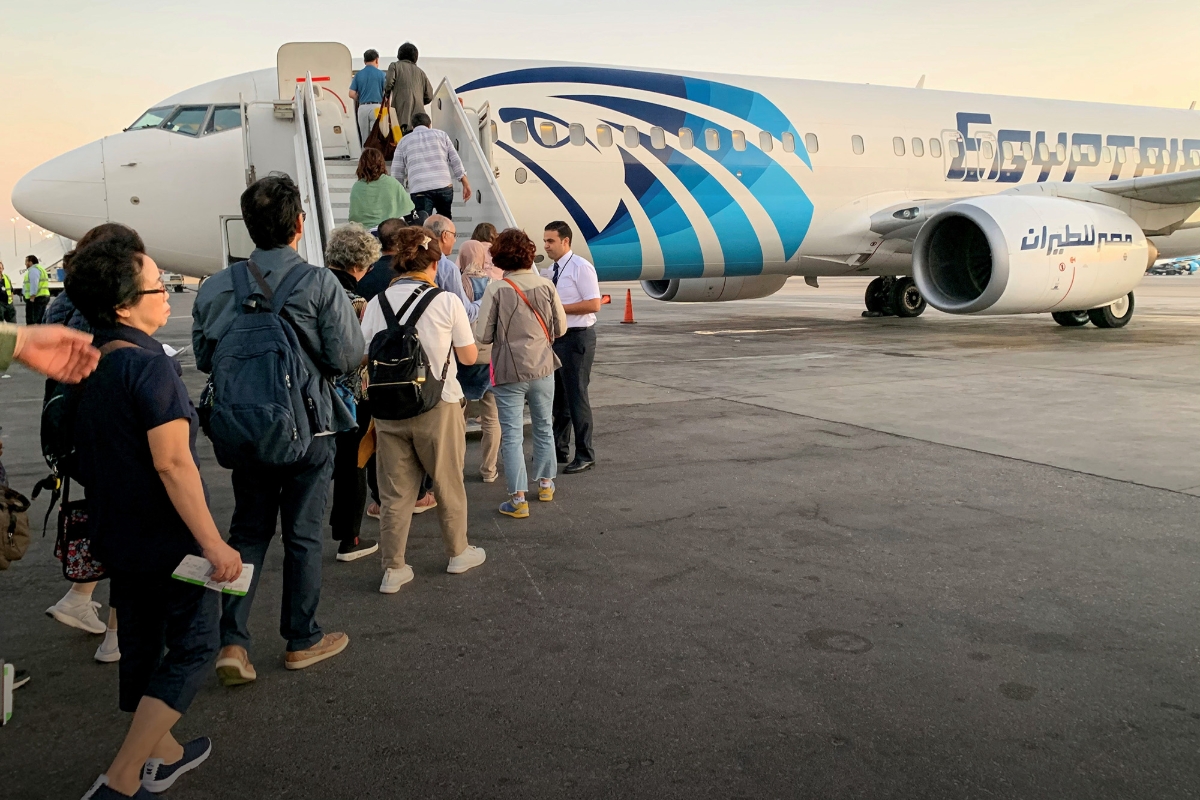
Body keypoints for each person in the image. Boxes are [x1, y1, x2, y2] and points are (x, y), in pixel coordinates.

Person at [68, 237, 243, 799]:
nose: (167, 293)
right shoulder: (149, 367)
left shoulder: (89, 361)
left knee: (142, 641)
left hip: (114, 531)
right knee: (193, 646)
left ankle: (161, 753)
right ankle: (120, 778)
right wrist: (214, 544)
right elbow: (173, 464)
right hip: (168, 539)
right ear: (123, 303)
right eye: (157, 285)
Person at [192, 175, 364, 685]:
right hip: (309, 429)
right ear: (299, 225)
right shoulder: (319, 282)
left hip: (244, 428)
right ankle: (301, 638)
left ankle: (232, 641)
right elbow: (348, 355)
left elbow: (206, 357)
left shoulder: (217, 286)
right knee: (303, 536)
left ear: (247, 226)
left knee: (247, 531)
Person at [358, 228, 486, 594]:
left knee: (395, 493)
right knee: (448, 483)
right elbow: (468, 356)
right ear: (432, 261)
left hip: (387, 408)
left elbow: (363, 355)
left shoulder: (378, 301)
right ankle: (458, 552)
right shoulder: (446, 301)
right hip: (438, 403)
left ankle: (393, 568)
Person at [42, 224, 143, 664]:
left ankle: (79, 597)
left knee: (104, 515)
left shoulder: (61, 304)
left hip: (69, 430)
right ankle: (117, 637)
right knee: (130, 531)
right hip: (108, 429)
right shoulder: (105, 308)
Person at [475, 230, 567, 518]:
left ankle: (517, 499)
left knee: (512, 435)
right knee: (543, 426)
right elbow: (561, 328)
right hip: (542, 368)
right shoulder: (547, 286)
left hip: (508, 371)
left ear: (501, 258)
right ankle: (546, 483)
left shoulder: (496, 289)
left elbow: (483, 335)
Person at [324, 224, 380, 562]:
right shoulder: (357, 302)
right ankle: (350, 537)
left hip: (305, 392)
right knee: (352, 464)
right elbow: (359, 354)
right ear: (359, 266)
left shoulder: (309, 288)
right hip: (349, 398)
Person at [541, 222, 601, 474]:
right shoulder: (549, 270)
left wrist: (559, 309)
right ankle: (559, 447)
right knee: (559, 397)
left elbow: (594, 304)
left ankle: (585, 453)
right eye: (545, 241)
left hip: (577, 338)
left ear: (566, 241)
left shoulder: (580, 267)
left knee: (577, 396)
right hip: (557, 338)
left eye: (551, 241)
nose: (546, 245)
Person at [456, 239, 499, 483]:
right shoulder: (494, 283)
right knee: (492, 418)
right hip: (489, 355)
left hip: (464, 355)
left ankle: (458, 469)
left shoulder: (459, 283)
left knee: (458, 418)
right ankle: (489, 470)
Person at [391, 113, 471, 220]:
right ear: (429, 125)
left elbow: (397, 172)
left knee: (422, 225)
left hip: (420, 189)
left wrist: (398, 195)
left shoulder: (403, 141)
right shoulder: (442, 135)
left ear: (412, 127)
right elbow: (455, 160)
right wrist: (465, 183)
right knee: (445, 222)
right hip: (444, 186)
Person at [425, 215, 479, 321]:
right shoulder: (447, 268)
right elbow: (465, 313)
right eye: (454, 235)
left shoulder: (410, 261)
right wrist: (483, 301)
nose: (455, 240)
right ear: (444, 235)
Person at [349, 148, 415, 230]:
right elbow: (408, 207)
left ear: (361, 165)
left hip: (367, 233)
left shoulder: (357, 187)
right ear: (382, 163)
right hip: (391, 230)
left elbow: (354, 216)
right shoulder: (392, 182)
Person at [381, 42, 433, 137]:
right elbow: (429, 96)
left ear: (399, 55)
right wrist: (419, 101)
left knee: (401, 140)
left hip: (401, 114)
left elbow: (388, 83)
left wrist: (387, 95)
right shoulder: (421, 73)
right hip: (419, 116)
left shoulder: (395, 66)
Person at [349, 49, 386, 146]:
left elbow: (351, 94)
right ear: (377, 60)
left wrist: (360, 98)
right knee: (375, 137)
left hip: (363, 108)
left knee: (364, 138)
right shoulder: (382, 75)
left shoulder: (358, 75)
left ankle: (364, 159)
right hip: (377, 108)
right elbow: (386, 93)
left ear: (364, 61)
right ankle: (375, 158)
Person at [23, 255, 50, 325]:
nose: (25, 264)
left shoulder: (33, 270)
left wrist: (32, 297)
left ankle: (32, 334)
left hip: (36, 298)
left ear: (30, 262)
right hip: (42, 296)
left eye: (26, 261)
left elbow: (34, 284)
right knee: (39, 320)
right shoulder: (41, 269)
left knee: (32, 320)